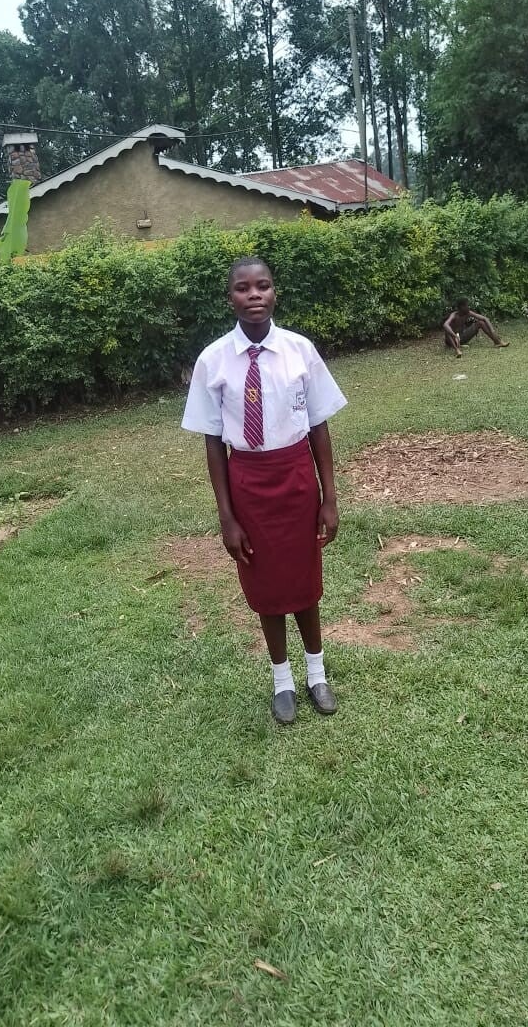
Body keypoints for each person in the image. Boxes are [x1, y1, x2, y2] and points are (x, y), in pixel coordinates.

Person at [181, 257, 348, 725]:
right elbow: (213, 443)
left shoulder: (300, 351)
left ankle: (316, 674)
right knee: (265, 585)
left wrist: (329, 497)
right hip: (248, 484)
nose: (254, 295)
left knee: (304, 581)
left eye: (263, 286)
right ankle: (282, 681)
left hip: (296, 478)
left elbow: (319, 426)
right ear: (229, 297)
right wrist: (227, 516)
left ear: (275, 293)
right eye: (243, 288)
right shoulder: (213, 361)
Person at [443, 297, 510, 358]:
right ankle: (457, 350)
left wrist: (492, 330)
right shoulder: (454, 315)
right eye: (467, 305)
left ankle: (497, 342)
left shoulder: (468, 313)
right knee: (447, 329)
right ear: (461, 307)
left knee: (480, 323)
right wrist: (454, 336)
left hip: (461, 338)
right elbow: (445, 325)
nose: (468, 307)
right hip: (451, 340)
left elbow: (485, 318)